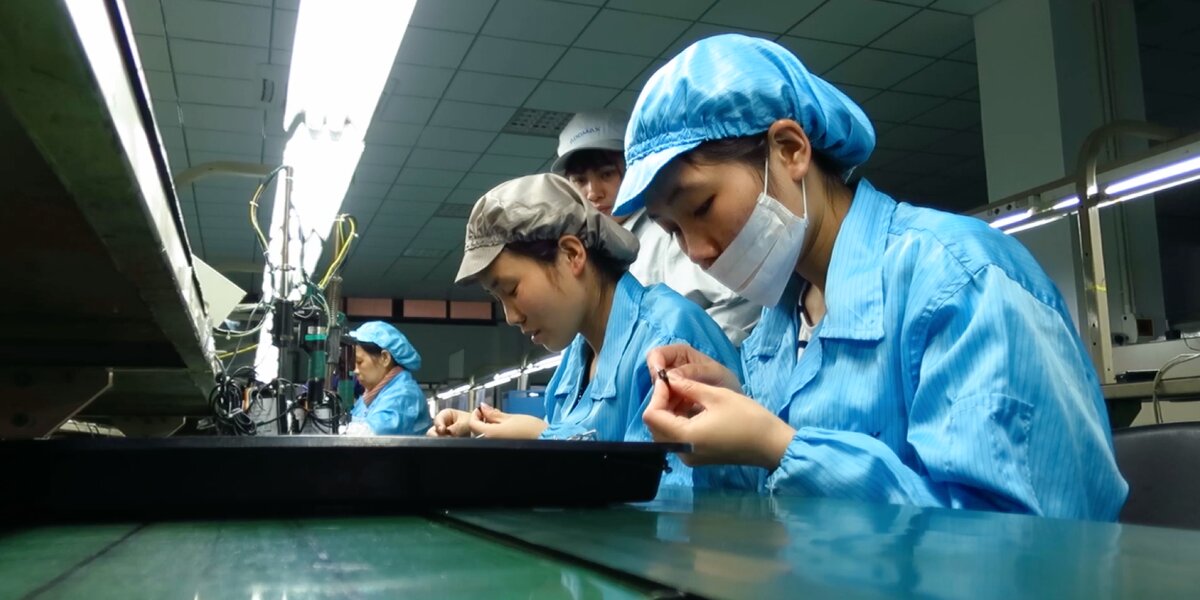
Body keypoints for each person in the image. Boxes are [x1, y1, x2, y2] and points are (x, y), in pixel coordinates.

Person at [612, 34, 1127, 520]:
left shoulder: (961, 279)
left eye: (702, 206)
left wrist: (781, 446)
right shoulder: (776, 330)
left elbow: (1021, 544)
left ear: (790, 150)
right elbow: (769, 516)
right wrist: (728, 415)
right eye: (674, 231)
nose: (698, 252)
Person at [428, 174, 742, 485]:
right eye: (498, 299)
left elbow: (675, 504)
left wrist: (543, 440)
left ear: (572, 255)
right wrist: (506, 431)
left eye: (511, 289)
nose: (510, 316)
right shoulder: (573, 364)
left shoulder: (669, 342)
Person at [553, 109, 759, 346]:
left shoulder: (664, 231)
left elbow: (741, 298)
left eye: (606, 174)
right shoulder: (592, 251)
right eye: (580, 181)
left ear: (632, 170)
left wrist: (693, 356)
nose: (593, 192)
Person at [344, 321, 432, 435]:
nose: (355, 370)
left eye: (359, 362)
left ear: (385, 358)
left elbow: (370, 433)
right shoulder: (369, 397)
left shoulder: (405, 394)